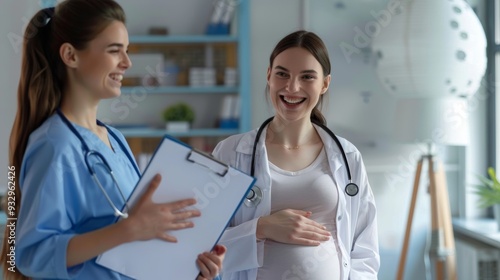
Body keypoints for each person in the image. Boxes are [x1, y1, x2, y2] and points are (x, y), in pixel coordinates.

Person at [0, 1, 225, 279]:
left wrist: (190, 269)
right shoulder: (54, 144)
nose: (127, 63)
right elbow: (30, 254)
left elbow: (134, 244)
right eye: (114, 50)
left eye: (126, 51)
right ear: (70, 55)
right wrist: (128, 229)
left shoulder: (114, 139)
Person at [211, 30, 380, 279]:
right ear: (269, 76)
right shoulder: (231, 153)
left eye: (307, 77)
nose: (292, 87)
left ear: (324, 84)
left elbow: (365, 251)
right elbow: (204, 246)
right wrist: (261, 228)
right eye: (282, 74)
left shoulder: (347, 156)